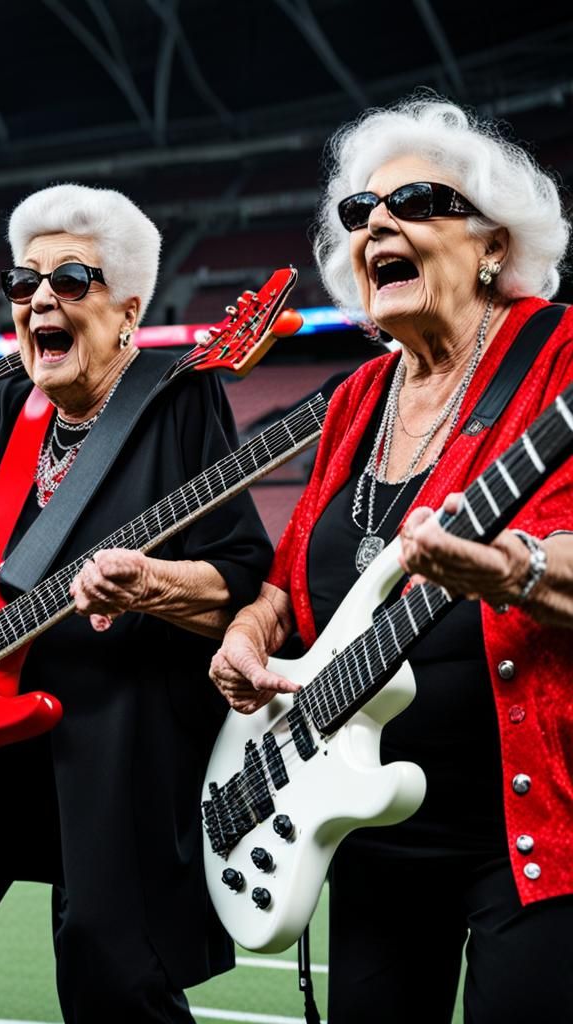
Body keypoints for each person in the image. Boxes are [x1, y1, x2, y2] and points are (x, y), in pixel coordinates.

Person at [0, 183, 273, 1023]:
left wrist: (155, 584)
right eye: (23, 283)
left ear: (128, 310)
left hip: (109, 744)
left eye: (71, 280)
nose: (40, 300)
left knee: (110, 963)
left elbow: (238, 578)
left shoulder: (177, 402)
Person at [209, 97, 573, 1023]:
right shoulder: (356, 399)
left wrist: (509, 570)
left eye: (415, 201)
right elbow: (290, 586)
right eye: (360, 214)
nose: (378, 224)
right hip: (366, 822)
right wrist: (251, 636)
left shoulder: (559, 356)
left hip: (532, 824)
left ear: (493, 244)